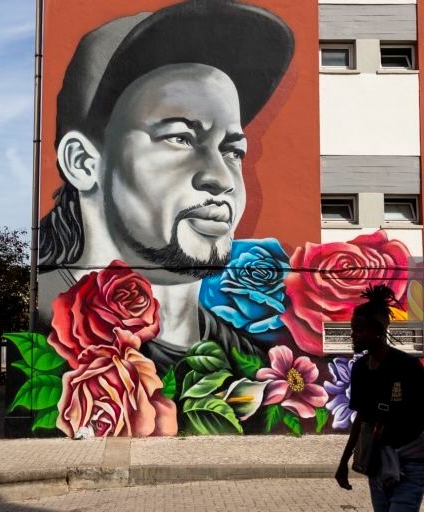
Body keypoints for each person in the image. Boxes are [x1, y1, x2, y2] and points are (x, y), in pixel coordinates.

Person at [36, 0, 294, 370]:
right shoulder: (39, 329)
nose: (221, 179)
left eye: (232, 150)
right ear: (83, 162)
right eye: (181, 139)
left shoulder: (252, 366)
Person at [335, 284, 424, 512]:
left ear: (378, 331)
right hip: (378, 460)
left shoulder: (407, 366)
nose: (353, 335)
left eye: (359, 329)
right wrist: (343, 462)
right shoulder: (360, 369)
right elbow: (362, 419)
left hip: (412, 460)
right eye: (352, 329)